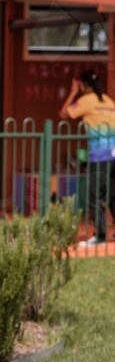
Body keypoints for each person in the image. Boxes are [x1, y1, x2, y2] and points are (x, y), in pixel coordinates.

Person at [59, 70, 115, 246]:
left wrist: (73, 92)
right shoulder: (108, 101)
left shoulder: (86, 101)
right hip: (114, 155)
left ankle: (100, 235)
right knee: (112, 194)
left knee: (93, 193)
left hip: (100, 155)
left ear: (83, 85)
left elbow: (64, 114)